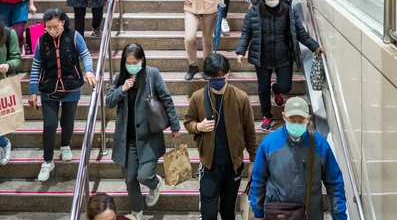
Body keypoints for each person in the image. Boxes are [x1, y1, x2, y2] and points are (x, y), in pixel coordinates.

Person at [106, 43, 180, 220]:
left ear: (142, 60)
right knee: (130, 180)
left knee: (144, 176)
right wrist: (122, 89)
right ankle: (137, 210)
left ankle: (155, 184)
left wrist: (175, 126)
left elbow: (166, 99)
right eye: (128, 62)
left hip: (149, 137)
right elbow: (108, 101)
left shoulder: (152, 74)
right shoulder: (119, 77)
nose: (131, 65)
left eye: (135, 61)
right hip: (128, 140)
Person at [236, 0, 321, 131]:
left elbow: (300, 32)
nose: (272, 1)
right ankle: (267, 116)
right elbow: (246, 33)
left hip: (283, 56)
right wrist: (240, 51)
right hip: (262, 57)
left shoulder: (288, 9)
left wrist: (315, 47)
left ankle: (276, 90)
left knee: (286, 85)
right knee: (262, 88)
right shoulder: (254, 11)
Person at [184, 53, 258, 220]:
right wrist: (199, 126)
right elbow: (188, 123)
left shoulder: (240, 97)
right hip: (209, 166)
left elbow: (250, 131)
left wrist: (253, 160)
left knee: (228, 210)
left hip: (233, 165)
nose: (215, 80)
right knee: (208, 214)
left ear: (227, 73)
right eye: (211, 77)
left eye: (219, 76)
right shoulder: (197, 97)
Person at [28, 8, 97, 182]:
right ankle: (48, 161)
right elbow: (36, 67)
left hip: (71, 87)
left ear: (63, 23)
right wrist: (32, 92)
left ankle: (65, 145)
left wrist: (89, 70)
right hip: (49, 89)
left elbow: (85, 55)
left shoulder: (74, 37)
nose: (52, 30)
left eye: (55, 26)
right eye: (48, 27)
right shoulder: (41, 41)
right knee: (50, 125)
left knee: (67, 122)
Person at [250, 96, 347, 220]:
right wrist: (258, 213)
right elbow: (258, 180)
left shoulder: (320, 144)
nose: (296, 124)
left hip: (310, 214)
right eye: (292, 120)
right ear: (284, 117)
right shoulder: (269, 144)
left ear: (308, 119)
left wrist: (340, 216)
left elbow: (335, 182)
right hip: (278, 213)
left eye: (300, 121)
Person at [0, 20, 21, 166]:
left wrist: (8, 65)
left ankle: (4, 143)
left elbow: (16, 58)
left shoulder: (8, 33)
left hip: (2, 84)